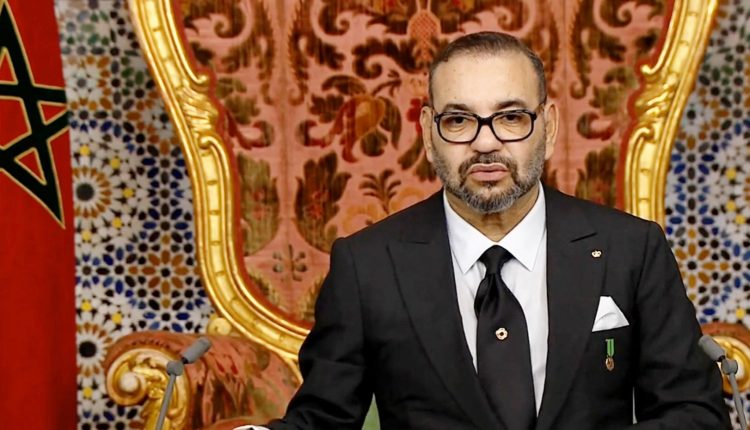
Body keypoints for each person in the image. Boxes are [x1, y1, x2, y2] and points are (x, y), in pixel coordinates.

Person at [244, 31, 730, 429]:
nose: (485, 143)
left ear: (549, 126)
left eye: (511, 117)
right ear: (428, 132)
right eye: (459, 120)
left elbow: (694, 414)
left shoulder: (632, 249)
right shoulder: (367, 266)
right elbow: (324, 419)